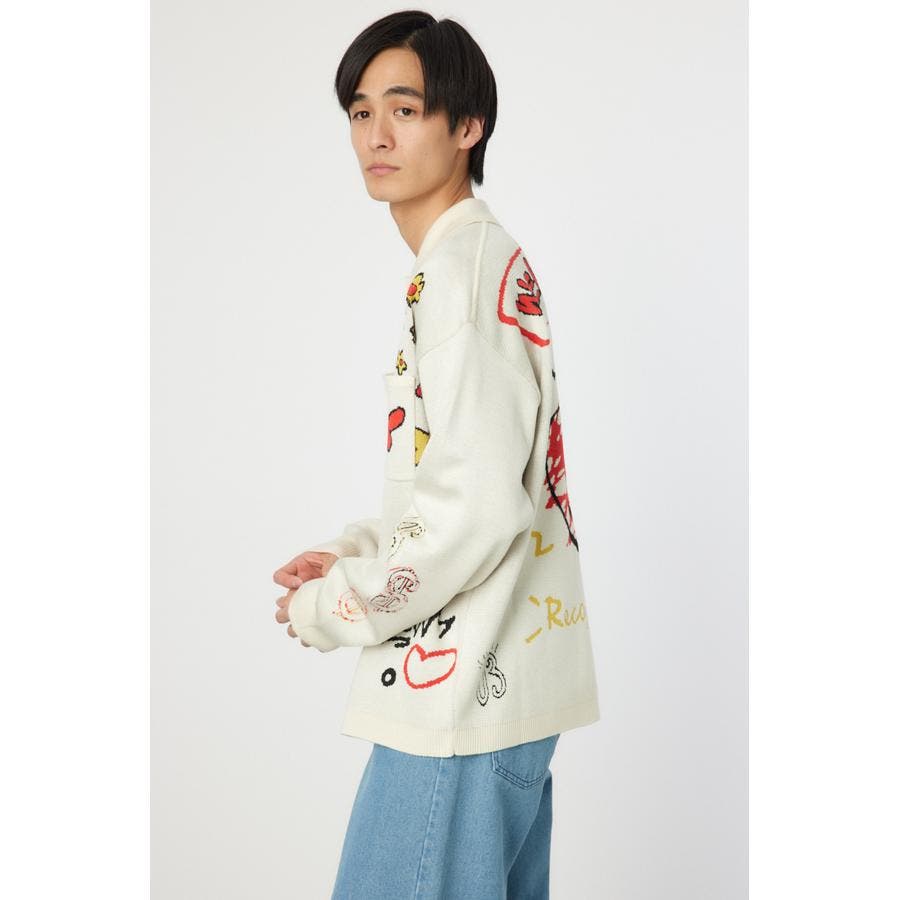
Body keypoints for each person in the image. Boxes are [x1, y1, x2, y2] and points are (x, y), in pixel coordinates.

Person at [272, 10, 601, 898]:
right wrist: (357, 550)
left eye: (405, 109)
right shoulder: (469, 266)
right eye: (360, 111)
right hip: (492, 687)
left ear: (467, 127)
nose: (375, 135)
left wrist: (337, 604)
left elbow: (479, 509)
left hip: (459, 704)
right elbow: (469, 480)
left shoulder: (461, 276)